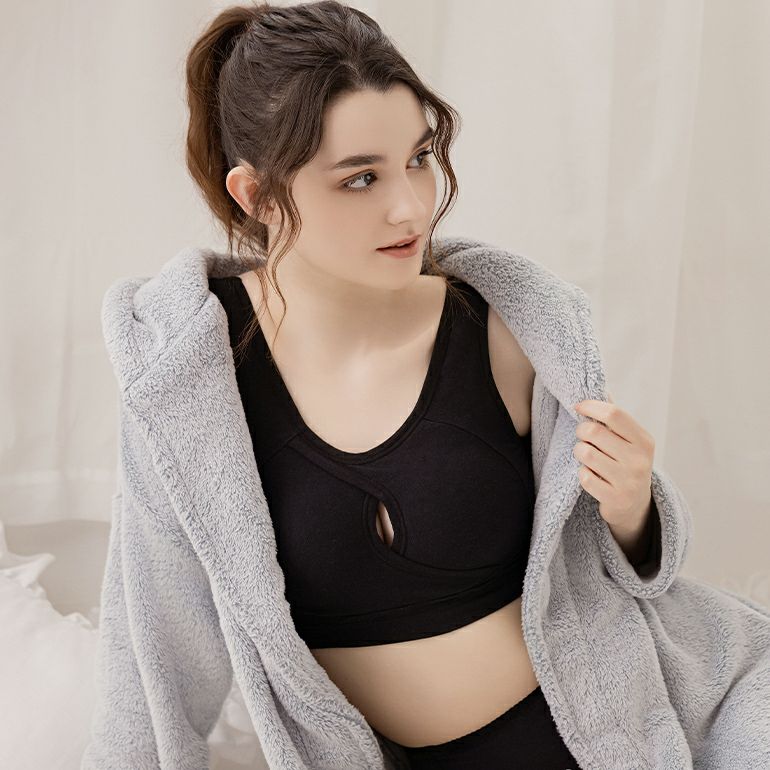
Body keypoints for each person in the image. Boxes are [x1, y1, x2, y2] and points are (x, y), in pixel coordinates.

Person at [82, 2, 770, 769]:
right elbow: (152, 666)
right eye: (361, 178)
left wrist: (633, 505)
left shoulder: (507, 330)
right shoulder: (187, 385)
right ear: (259, 197)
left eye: (418, 158)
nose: (411, 206)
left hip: (604, 732)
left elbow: (607, 577)